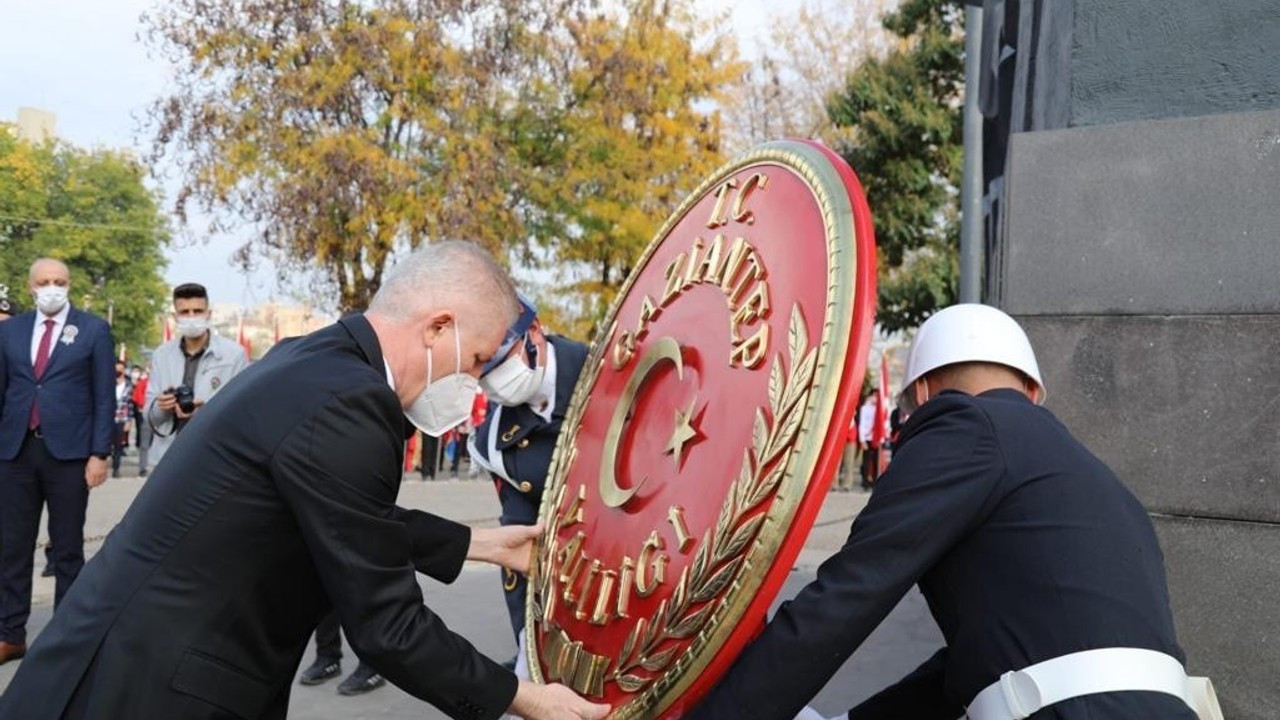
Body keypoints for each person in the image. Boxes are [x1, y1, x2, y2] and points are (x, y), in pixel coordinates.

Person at [0, 242, 610, 720]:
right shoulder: (351, 406)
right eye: (477, 359)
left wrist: (474, 543)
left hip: (107, 668)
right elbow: (389, 629)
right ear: (437, 327)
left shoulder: (314, 360)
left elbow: (325, 512)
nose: (475, 382)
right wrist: (528, 698)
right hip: (150, 692)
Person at [685, 304, 1199, 720]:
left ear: (923, 394)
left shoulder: (967, 426)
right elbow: (980, 660)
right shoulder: (1093, 482)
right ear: (1034, 391)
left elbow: (851, 591)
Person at [0, 258, 115, 666]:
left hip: (69, 455)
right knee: (11, 547)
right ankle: (10, 634)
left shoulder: (93, 330)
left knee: (67, 548)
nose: (53, 287)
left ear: (69, 285)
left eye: (60, 281)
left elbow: (104, 396)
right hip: (15, 452)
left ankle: (65, 638)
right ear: (30, 287)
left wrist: (99, 453)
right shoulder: (10, 331)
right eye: (45, 282)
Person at [469, 294, 589, 651]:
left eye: (498, 361)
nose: (492, 380)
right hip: (579, 587)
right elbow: (520, 551)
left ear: (533, 331)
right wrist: (529, 647)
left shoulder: (606, 370)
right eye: (479, 370)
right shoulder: (493, 441)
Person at [144, 282, 249, 465]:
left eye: (197, 311)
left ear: (209, 314)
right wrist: (162, 407)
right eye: (184, 312)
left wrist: (206, 411)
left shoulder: (234, 355)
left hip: (215, 457)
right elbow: (149, 416)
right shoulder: (162, 355)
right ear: (175, 316)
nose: (191, 317)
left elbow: (245, 411)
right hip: (168, 456)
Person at [110, 359, 134, 478]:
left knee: (118, 445)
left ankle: (116, 468)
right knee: (107, 444)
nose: (118, 372)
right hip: (108, 419)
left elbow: (130, 404)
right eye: (116, 370)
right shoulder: (108, 384)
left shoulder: (129, 386)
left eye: (120, 369)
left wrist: (129, 420)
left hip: (121, 419)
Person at [129, 364, 152, 476]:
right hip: (147, 415)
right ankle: (143, 467)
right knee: (145, 443)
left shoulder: (164, 383)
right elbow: (137, 396)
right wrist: (144, 405)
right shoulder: (144, 382)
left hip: (163, 416)